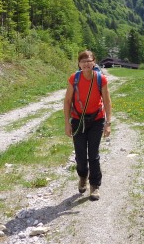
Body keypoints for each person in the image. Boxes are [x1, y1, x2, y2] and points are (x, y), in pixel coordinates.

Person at [64, 50, 112, 201]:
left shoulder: (100, 79)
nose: (86, 63)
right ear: (79, 64)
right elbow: (67, 101)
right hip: (78, 120)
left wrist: (108, 123)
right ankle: (83, 176)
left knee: (93, 154)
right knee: (80, 156)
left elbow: (107, 101)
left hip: (96, 120)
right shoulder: (74, 79)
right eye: (83, 61)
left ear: (94, 62)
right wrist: (67, 123)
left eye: (89, 60)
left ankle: (94, 186)